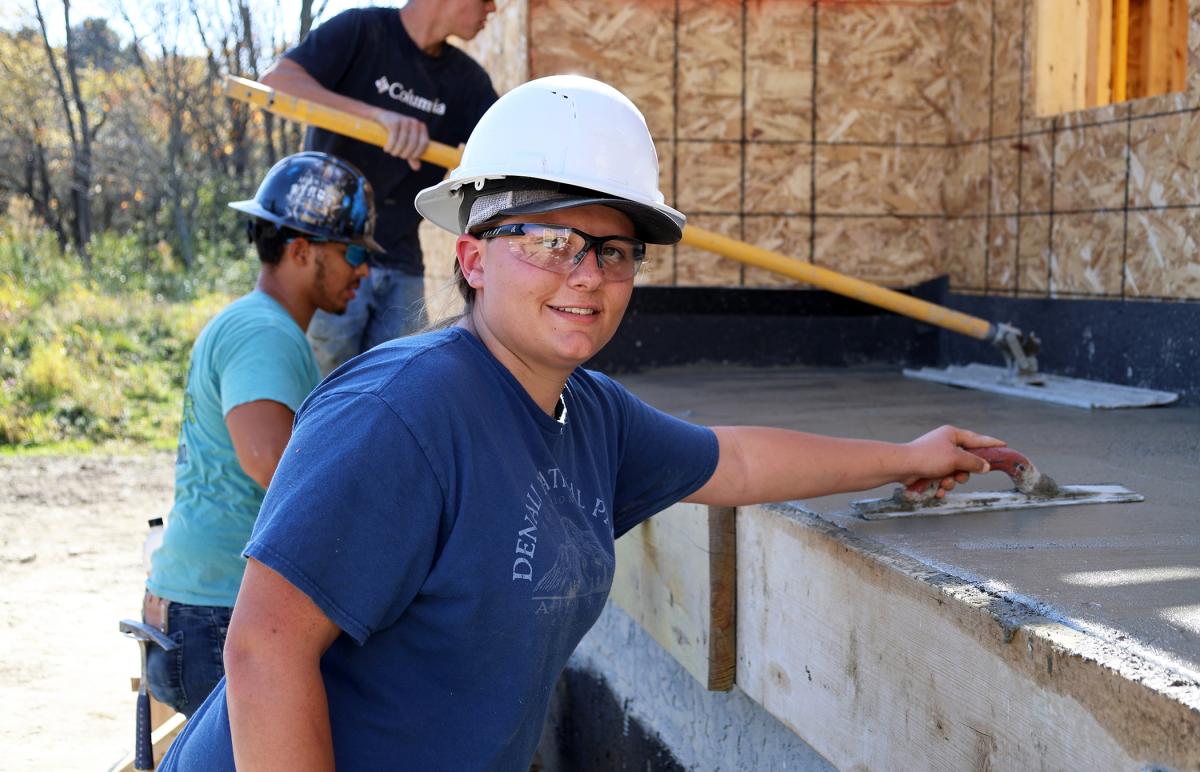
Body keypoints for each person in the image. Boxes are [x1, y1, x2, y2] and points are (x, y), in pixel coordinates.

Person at [158, 76, 1001, 769]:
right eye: (551, 240)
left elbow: (737, 462)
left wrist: (908, 455)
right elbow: (264, 649)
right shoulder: (400, 412)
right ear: (473, 257)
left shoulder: (590, 413)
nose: (588, 274)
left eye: (613, 250)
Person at [142, 151, 377, 717]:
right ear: (300, 250)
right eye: (352, 252)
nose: (364, 271)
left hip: (211, 607)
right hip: (219, 613)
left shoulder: (266, 327)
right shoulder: (262, 330)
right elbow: (271, 461)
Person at [260, 0, 500, 376]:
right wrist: (376, 117)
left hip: (401, 257)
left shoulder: (468, 82)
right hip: (330, 254)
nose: (493, 8)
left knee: (401, 383)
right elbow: (277, 81)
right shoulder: (362, 31)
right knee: (321, 386)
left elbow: (504, 151)